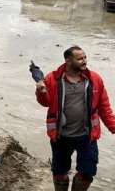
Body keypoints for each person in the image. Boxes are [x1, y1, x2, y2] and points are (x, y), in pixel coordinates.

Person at [36, 46, 115, 191]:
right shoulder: (52, 79)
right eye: (80, 58)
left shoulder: (94, 79)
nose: (84, 61)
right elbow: (45, 102)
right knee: (59, 172)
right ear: (68, 60)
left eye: (85, 57)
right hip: (61, 135)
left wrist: (113, 127)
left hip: (87, 135)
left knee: (87, 173)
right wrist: (41, 91)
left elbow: (104, 107)